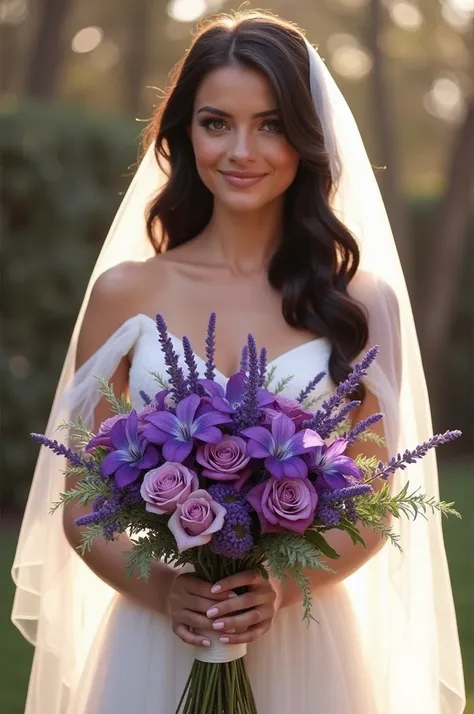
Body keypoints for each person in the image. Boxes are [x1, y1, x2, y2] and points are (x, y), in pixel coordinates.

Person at [12, 11, 465, 714]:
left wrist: (279, 589)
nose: (241, 150)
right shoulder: (126, 293)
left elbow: (374, 512)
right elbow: (80, 504)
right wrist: (164, 589)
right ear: (183, 132)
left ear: (307, 138)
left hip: (304, 644)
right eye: (216, 122)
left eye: (272, 124)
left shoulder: (360, 303)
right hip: (158, 635)